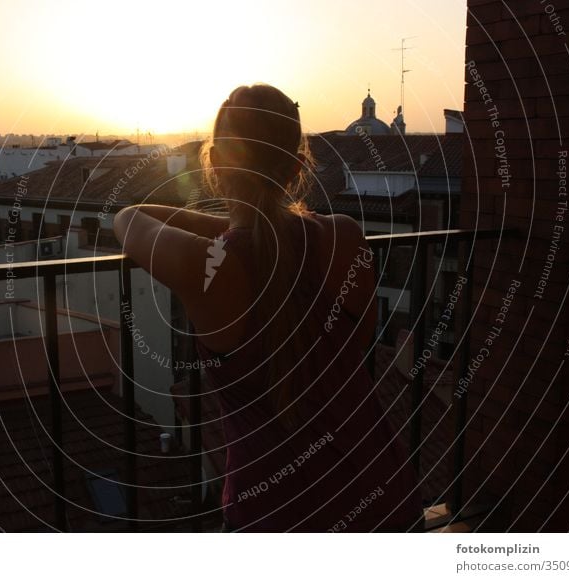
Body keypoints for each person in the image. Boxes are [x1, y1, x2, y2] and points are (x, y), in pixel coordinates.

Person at [113, 83, 422, 532]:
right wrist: (255, 226)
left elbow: (132, 217)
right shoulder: (347, 236)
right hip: (381, 491)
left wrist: (247, 227)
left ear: (214, 164)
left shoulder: (206, 264)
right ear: (298, 165)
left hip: (275, 509)